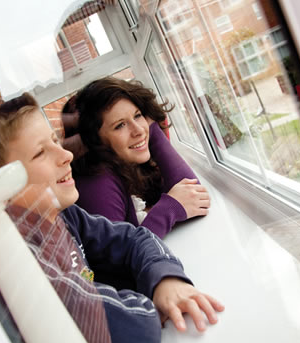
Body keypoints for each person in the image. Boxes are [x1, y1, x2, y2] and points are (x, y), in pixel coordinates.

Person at [0, 93, 224, 343]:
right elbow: (134, 332)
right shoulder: (10, 255)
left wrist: (165, 280)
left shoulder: (62, 214)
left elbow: (134, 238)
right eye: (41, 153)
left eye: (56, 140)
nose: (66, 155)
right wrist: (148, 303)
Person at [68, 77, 211, 239]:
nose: (138, 130)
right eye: (119, 125)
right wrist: (167, 210)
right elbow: (120, 260)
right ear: (95, 140)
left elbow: (194, 196)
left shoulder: (124, 163)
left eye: (137, 115)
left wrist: (151, 128)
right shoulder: (97, 183)